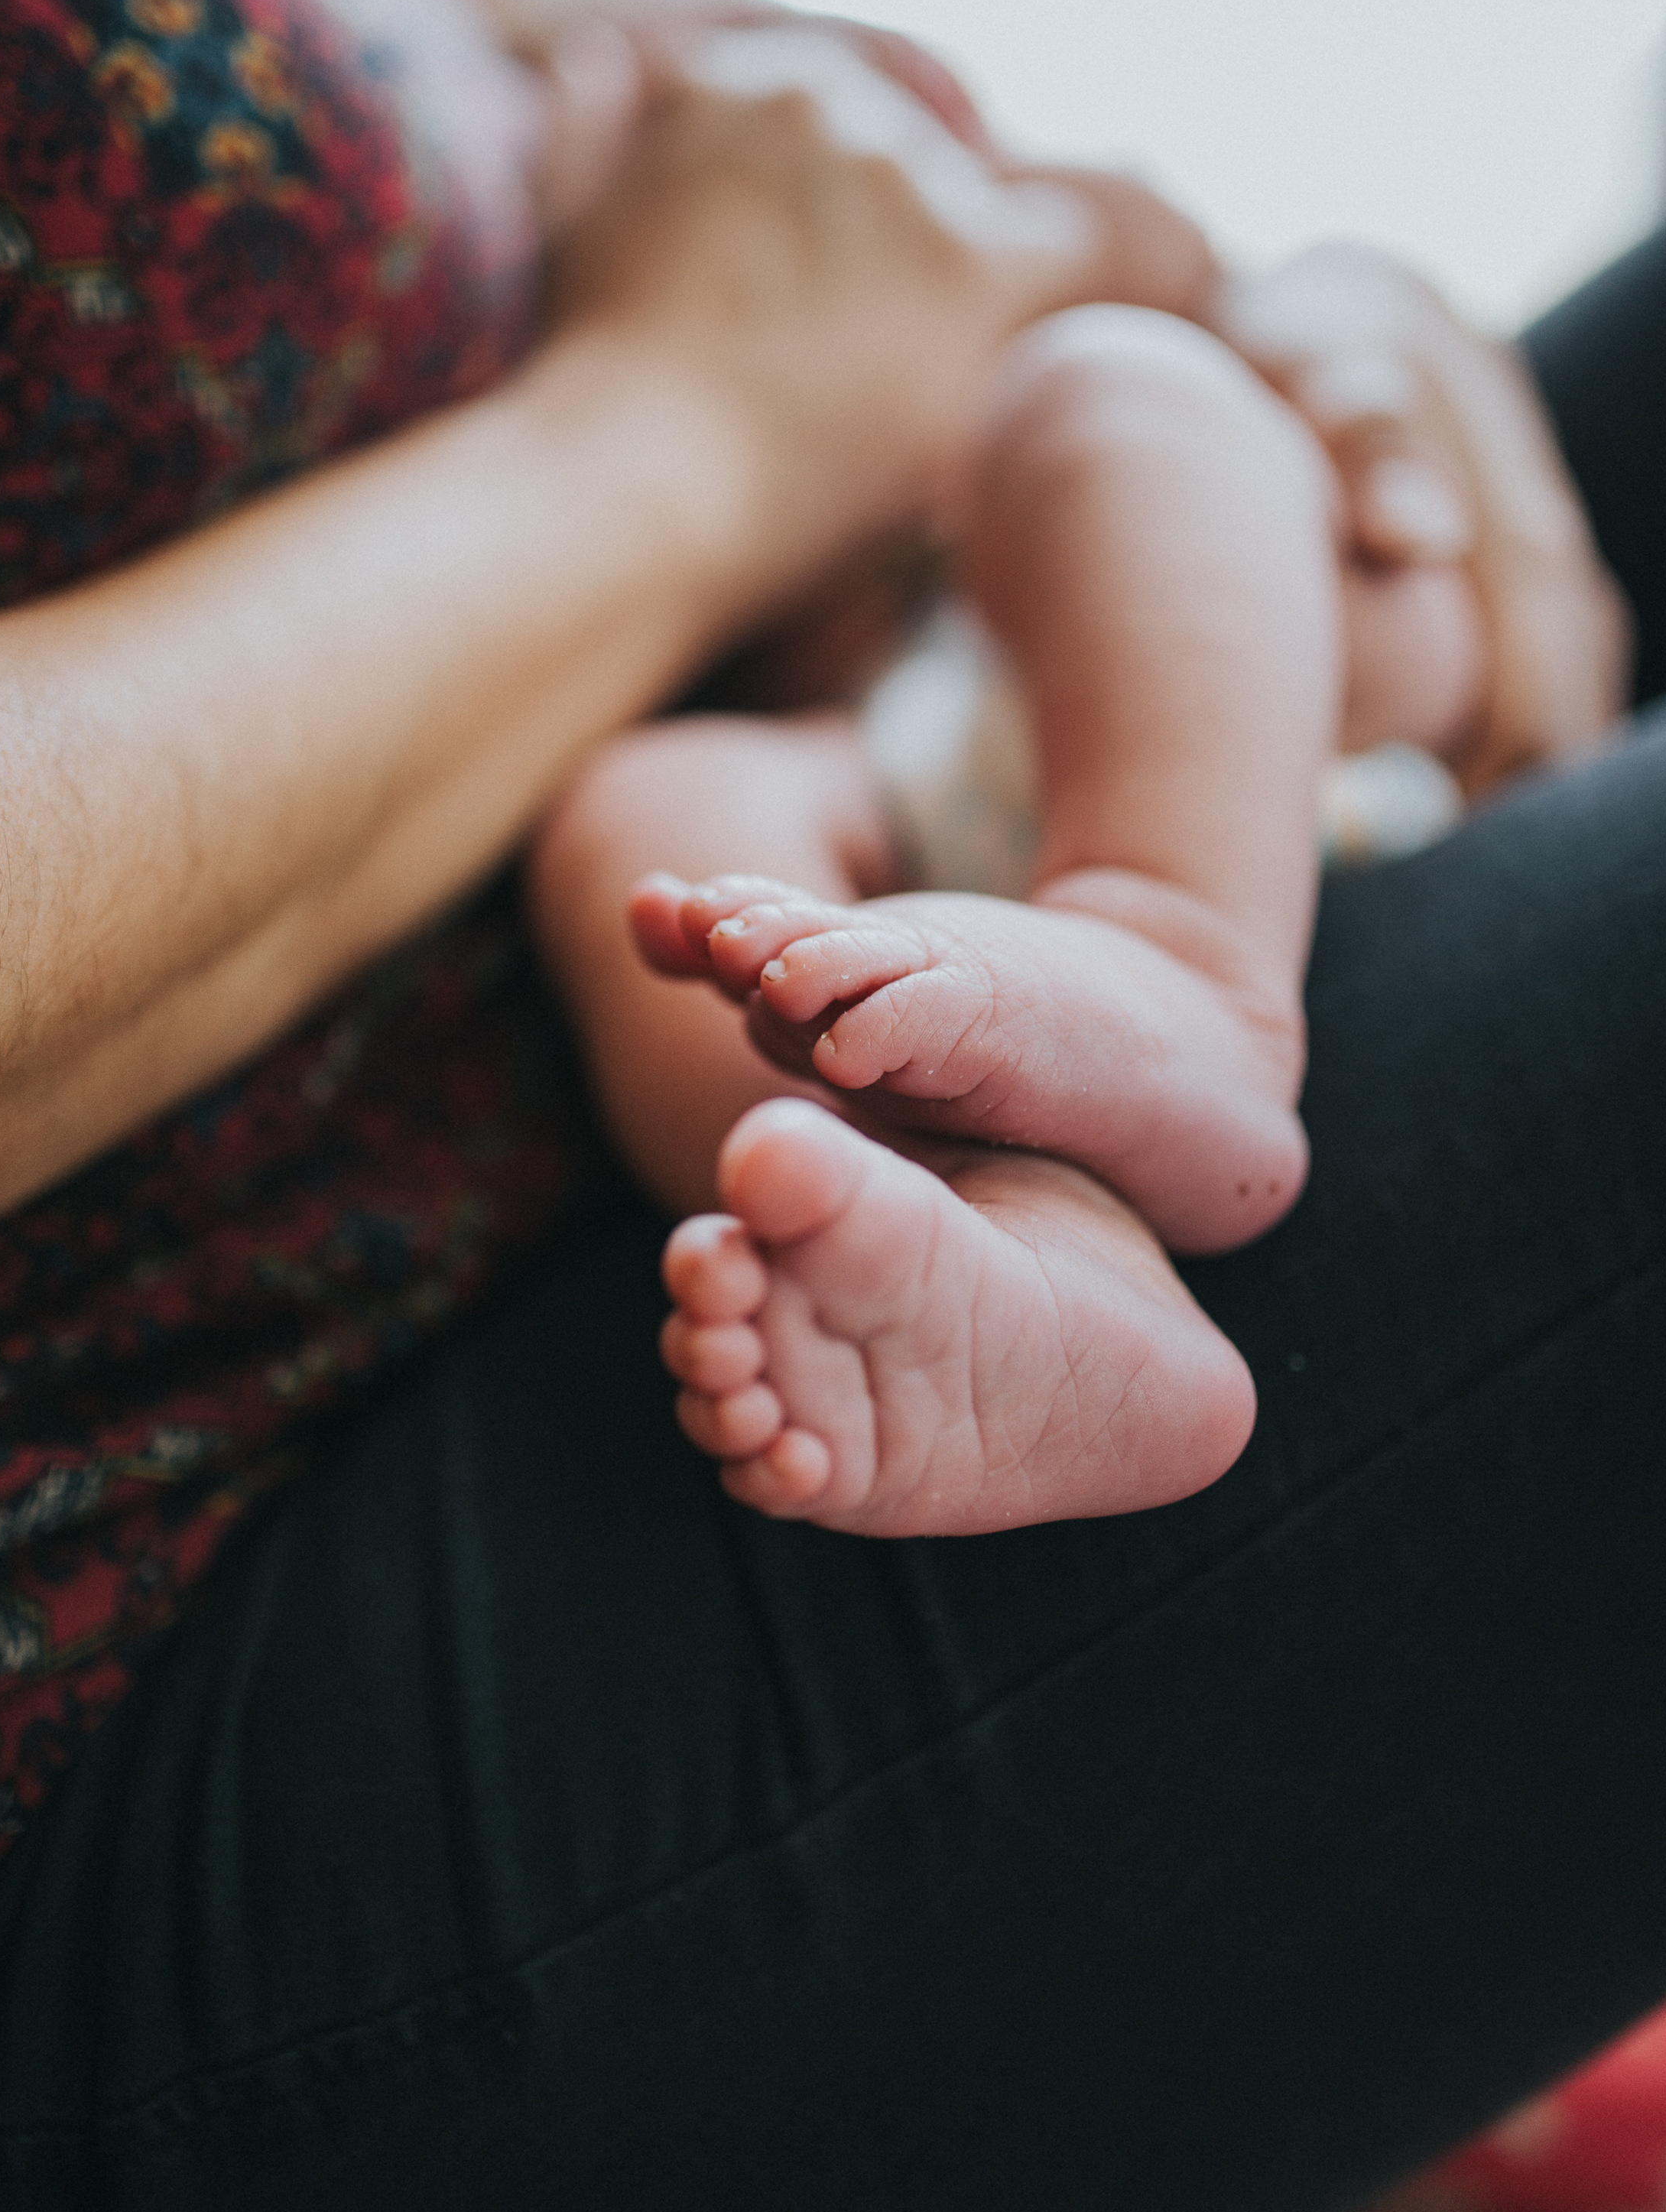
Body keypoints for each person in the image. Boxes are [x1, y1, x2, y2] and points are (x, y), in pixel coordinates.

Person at [0, 0, 1661, 2212]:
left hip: (999, 691)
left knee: (1121, 428)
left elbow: (1003, 275)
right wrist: (690, 418)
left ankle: (1166, 960)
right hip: (48, 1764)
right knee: (670, 868)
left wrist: (1338, 337)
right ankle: (1056, 1178)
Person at [531, 284, 1493, 1536]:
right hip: (888, 782)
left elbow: (1133, 249)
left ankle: (1180, 951)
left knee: (1116, 381)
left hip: (1231, 686)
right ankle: (995, 1235)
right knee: (637, 822)